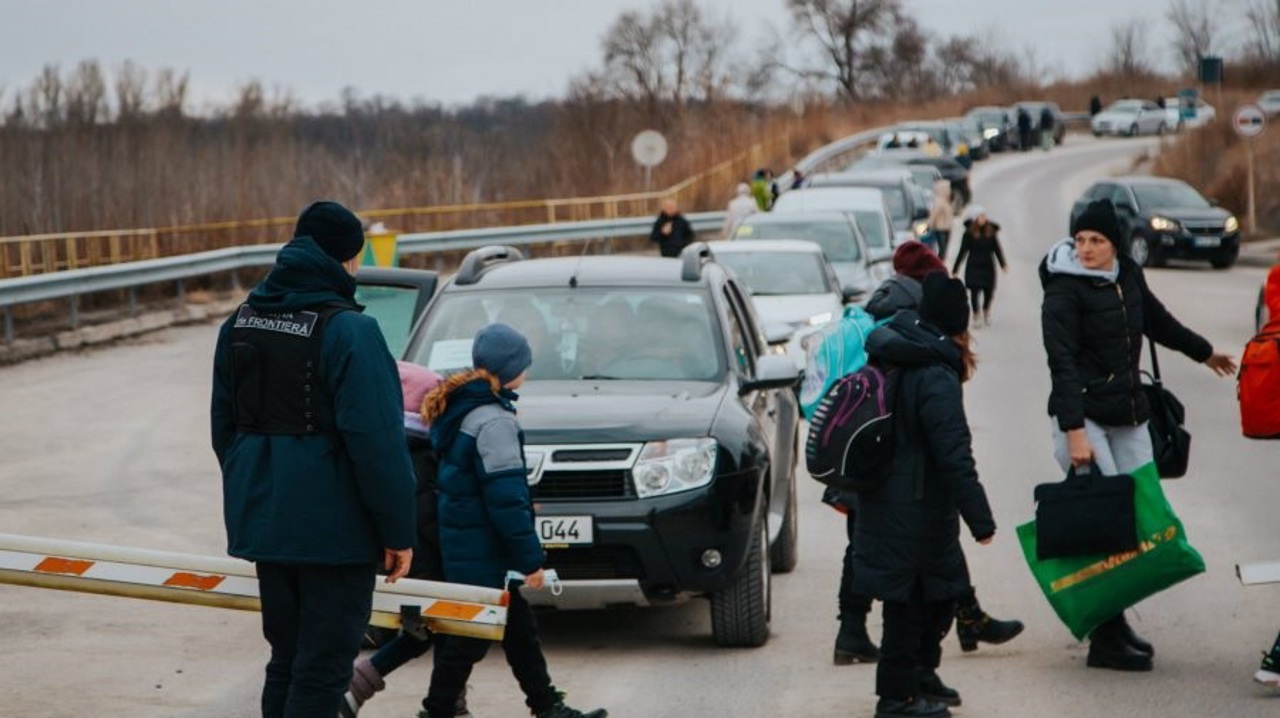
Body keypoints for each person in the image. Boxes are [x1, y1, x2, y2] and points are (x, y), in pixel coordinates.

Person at [210, 200, 417, 718]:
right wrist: (397, 531)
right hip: (335, 537)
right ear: (348, 260)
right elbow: (378, 444)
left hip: (267, 525)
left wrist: (257, 490)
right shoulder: (351, 331)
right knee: (323, 670)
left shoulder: (240, 322)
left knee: (287, 659)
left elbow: (224, 429)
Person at [1040, 199, 1237, 672]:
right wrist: (1073, 434)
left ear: (1115, 244)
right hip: (1084, 417)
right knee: (1105, 524)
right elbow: (1061, 366)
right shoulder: (1063, 291)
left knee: (1140, 515)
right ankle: (1105, 639)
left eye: (1096, 241)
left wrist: (1204, 353)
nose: (1085, 249)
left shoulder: (1128, 274)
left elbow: (1158, 321)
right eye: (1080, 240)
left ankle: (1118, 623)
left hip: (1128, 414)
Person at [418, 323, 607, 718]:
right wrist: (531, 561)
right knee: (468, 640)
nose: (529, 372)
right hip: (482, 551)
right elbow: (503, 500)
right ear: (508, 371)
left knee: (520, 632)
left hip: (467, 543)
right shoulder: (494, 421)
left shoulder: (466, 410)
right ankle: (436, 711)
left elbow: (480, 488)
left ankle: (546, 706)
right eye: (525, 365)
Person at [855, 272, 997, 718]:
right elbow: (954, 453)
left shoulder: (901, 351)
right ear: (958, 324)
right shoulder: (933, 372)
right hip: (912, 508)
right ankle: (896, 698)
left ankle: (920, 678)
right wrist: (981, 519)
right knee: (909, 606)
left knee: (936, 597)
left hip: (897, 502)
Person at [341, 362, 477, 718]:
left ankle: (446, 705)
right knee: (449, 630)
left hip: (394, 564)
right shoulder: (425, 454)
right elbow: (430, 517)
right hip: (426, 563)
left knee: (435, 632)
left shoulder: (382, 451)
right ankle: (444, 706)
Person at [951, 208, 1008, 327]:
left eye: (984, 216)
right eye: (980, 216)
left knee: (989, 290)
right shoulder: (968, 234)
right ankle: (976, 314)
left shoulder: (991, 232)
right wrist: (956, 268)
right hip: (973, 265)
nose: (982, 219)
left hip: (988, 265)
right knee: (974, 291)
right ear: (975, 218)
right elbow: (962, 251)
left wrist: (1003, 264)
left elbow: (997, 249)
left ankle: (986, 310)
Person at [926, 180, 955, 261]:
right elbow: (934, 215)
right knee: (942, 250)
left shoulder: (947, 201)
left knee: (944, 250)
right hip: (940, 229)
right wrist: (929, 225)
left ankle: (941, 263)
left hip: (946, 228)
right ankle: (939, 263)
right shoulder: (939, 202)